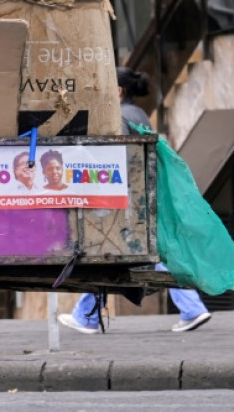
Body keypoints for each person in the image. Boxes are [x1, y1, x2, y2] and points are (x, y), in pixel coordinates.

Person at [59, 67, 212, 334]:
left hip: (128, 199)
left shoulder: (120, 117)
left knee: (107, 252)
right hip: (141, 196)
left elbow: (117, 157)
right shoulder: (138, 114)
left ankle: (86, 317)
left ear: (118, 91)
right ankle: (191, 308)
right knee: (136, 253)